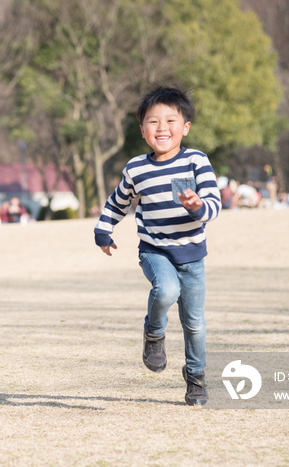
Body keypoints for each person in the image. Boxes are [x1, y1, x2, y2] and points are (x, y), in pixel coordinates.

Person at [94, 86, 221, 406]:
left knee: (195, 324)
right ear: (142, 130)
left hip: (192, 256)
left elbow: (214, 205)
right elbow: (118, 202)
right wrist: (103, 229)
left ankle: (195, 378)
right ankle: (154, 333)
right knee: (165, 291)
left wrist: (197, 206)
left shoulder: (196, 161)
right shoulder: (137, 168)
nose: (162, 128)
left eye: (170, 120)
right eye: (153, 122)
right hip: (156, 250)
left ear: (186, 127)